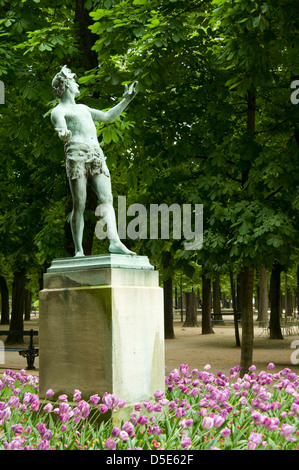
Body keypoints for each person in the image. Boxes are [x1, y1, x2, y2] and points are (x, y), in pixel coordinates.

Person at [51, 65, 138, 257]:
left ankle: (114, 241)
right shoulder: (58, 111)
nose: (77, 84)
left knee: (107, 198)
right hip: (77, 154)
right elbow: (61, 129)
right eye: (74, 81)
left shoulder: (83, 108)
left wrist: (126, 100)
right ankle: (79, 250)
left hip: (95, 154)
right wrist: (64, 135)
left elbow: (108, 116)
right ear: (65, 85)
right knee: (79, 203)